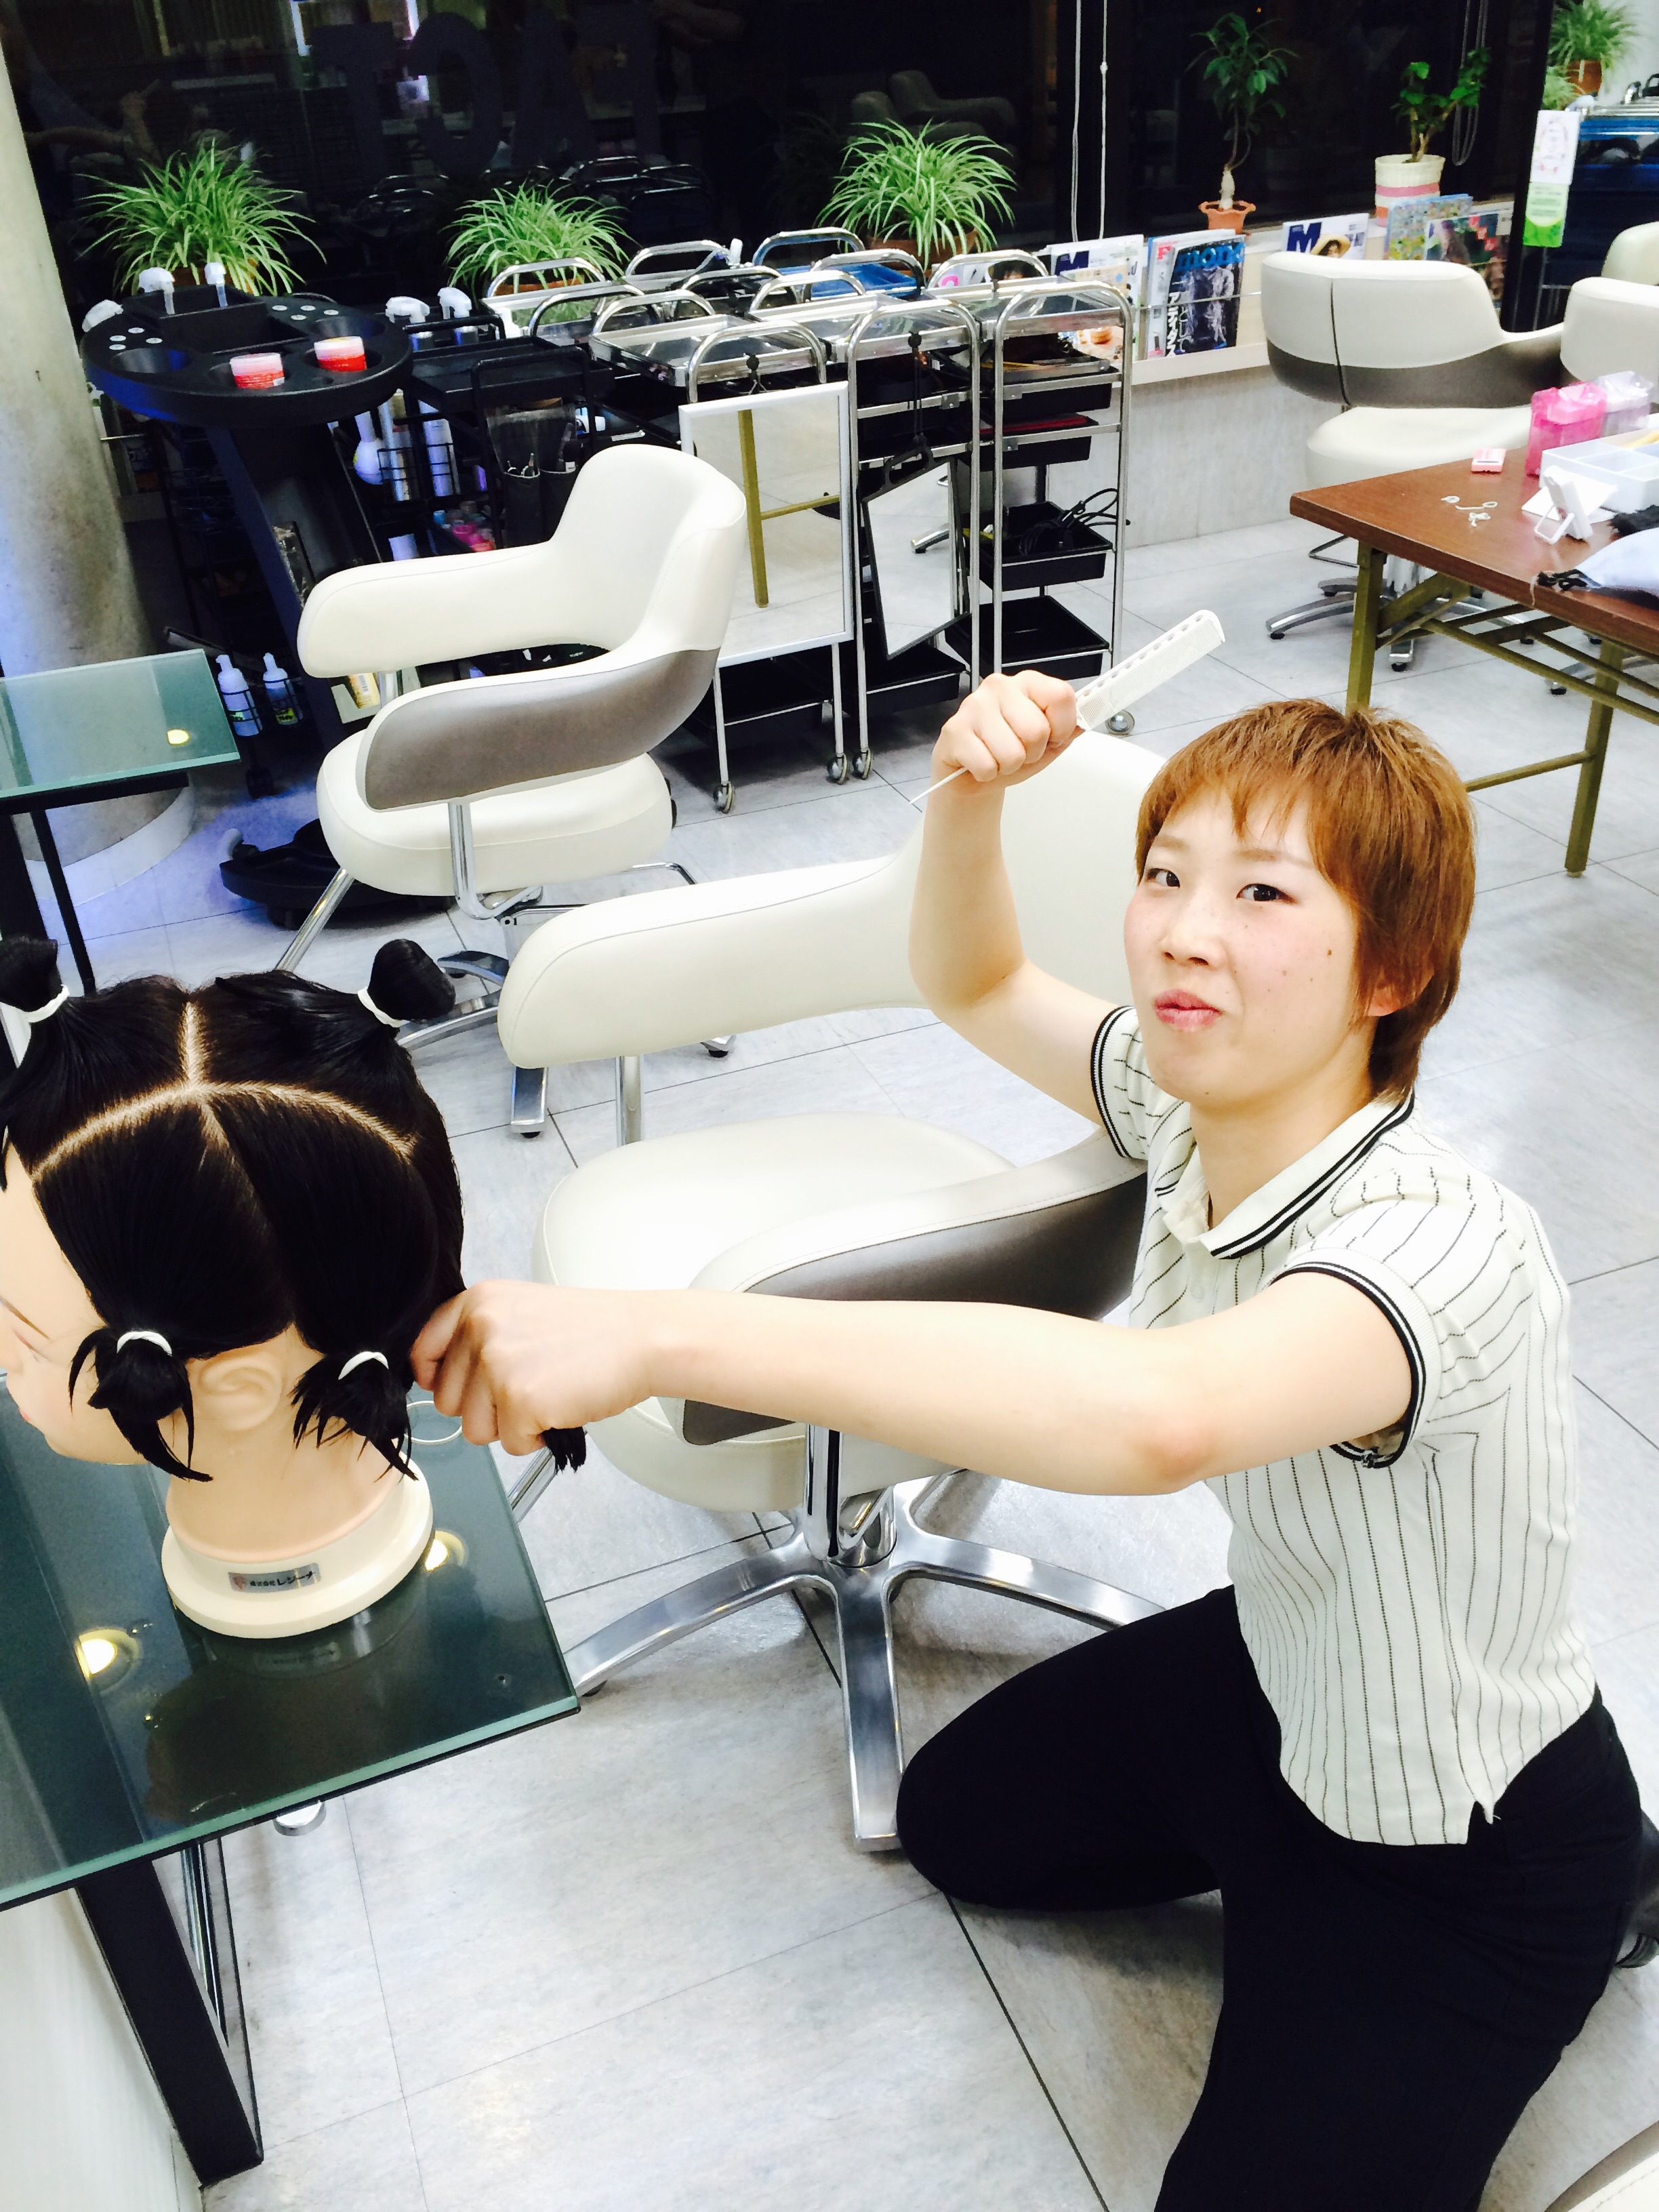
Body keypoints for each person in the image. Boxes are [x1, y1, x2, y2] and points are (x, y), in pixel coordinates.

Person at [413, 674, 1652, 2208]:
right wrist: (968, 799)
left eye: (1262, 893)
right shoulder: (1188, 1105)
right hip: (1280, 1669)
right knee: (957, 1824)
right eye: (1166, 876)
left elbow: (1157, 1418)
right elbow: (978, 975)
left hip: (1463, 1844)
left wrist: (664, 1332)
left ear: (1391, 971)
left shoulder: (1445, 1244)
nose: (1184, 931)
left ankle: (1615, 1881)